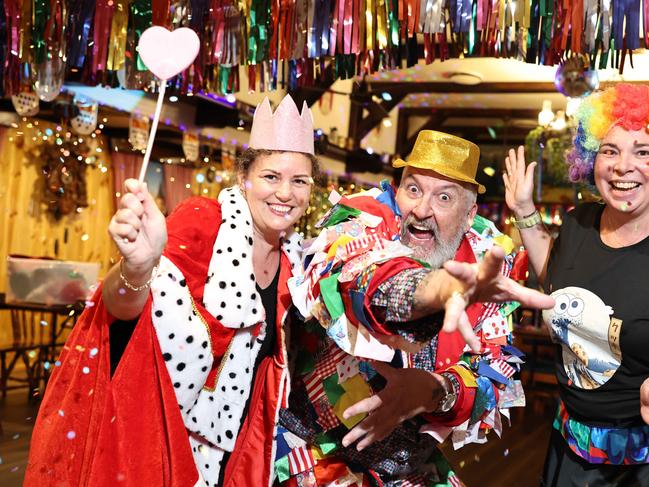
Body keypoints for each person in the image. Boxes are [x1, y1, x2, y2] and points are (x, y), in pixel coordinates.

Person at [25, 94, 318, 487]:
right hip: (162, 443)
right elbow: (125, 315)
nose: (285, 193)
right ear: (243, 177)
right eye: (271, 177)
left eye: (299, 181)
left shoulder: (297, 265)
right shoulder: (203, 224)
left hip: (240, 458)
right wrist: (138, 265)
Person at [277, 130, 554, 486]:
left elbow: (490, 376)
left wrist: (434, 390)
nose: (421, 210)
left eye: (443, 197)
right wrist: (440, 290)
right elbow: (364, 281)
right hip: (312, 457)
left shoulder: (485, 263)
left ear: (469, 215)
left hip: (408, 469)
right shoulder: (362, 222)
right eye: (413, 189)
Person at [503, 83, 649, 486]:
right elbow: (557, 278)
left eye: (643, 152)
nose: (623, 166)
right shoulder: (578, 222)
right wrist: (524, 212)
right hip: (566, 449)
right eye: (610, 150)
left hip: (637, 468)